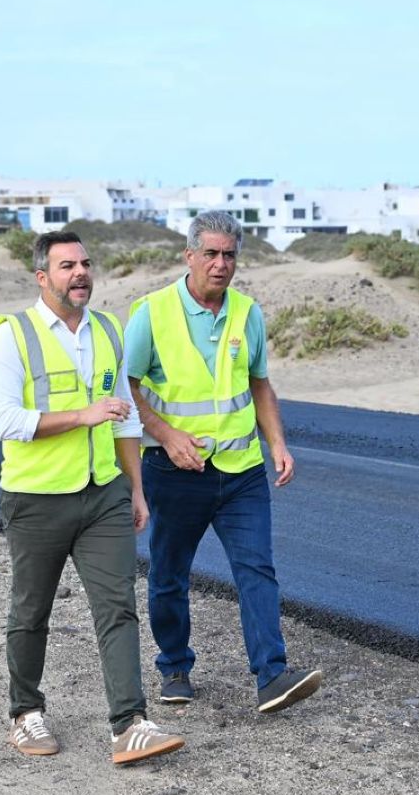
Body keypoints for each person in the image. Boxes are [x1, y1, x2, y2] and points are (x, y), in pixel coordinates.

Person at [0, 230, 184, 765]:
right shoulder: (14, 335)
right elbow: (2, 420)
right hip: (36, 498)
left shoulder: (108, 331)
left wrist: (135, 489)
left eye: (86, 263)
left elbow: (127, 417)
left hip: (104, 497)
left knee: (118, 608)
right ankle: (25, 714)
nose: (80, 273)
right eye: (67, 265)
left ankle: (130, 724)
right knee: (32, 611)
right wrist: (82, 415)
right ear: (41, 277)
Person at [124, 210, 324, 714]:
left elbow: (259, 383)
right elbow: (125, 388)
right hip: (174, 473)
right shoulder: (150, 313)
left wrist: (277, 442)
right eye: (210, 254)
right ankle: (174, 666)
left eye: (229, 255)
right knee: (169, 574)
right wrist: (166, 434)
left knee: (257, 569)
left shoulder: (247, 313)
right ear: (189, 256)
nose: (220, 264)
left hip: (241, 474)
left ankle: (272, 675)